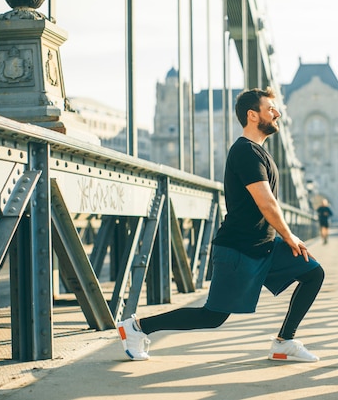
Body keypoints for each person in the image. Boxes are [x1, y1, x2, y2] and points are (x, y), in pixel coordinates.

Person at [117, 87, 325, 362]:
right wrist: (289, 236)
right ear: (253, 115)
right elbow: (266, 202)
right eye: (270, 109)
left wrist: (283, 237)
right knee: (213, 317)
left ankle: (284, 342)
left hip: (264, 245)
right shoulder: (245, 152)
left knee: (313, 273)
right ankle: (137, 327)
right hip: (238, 249)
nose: (277, 113)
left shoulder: (259, 152)